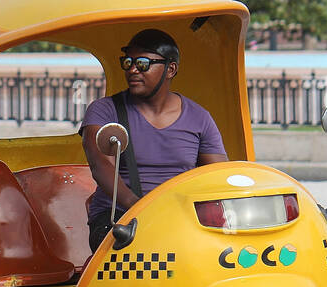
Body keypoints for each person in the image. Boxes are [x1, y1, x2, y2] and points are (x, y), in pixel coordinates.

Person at [81, 29, 228, 251]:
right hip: (120, 220)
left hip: (178, 219)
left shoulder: (199, 118)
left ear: (170, 69)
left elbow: (217, 176)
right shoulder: (104, 111)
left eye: (142, 63)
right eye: (128, 62)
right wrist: (141, 208)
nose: (132, 69)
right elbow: (101, 166)